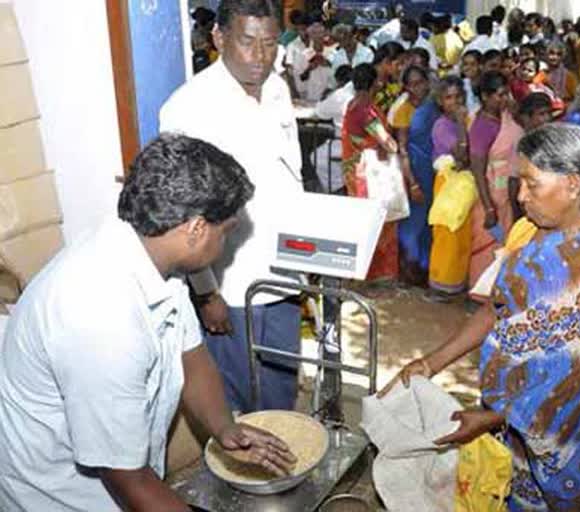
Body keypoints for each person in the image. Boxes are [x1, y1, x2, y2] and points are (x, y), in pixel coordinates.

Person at [0, 134, 298, 511]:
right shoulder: (101, 318)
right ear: (194, 230)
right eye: (225, 232)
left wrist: (226, 428)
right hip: (63, 497)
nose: (226, 243)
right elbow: (128, 479)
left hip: (125, 479)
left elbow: (191, 358)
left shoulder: (153, 252)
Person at [382, 123, 580, 510]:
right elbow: (497, 308)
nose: (521, 195)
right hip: (509, 418)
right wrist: (429, 363)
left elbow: (570, 385)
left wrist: (491, 417)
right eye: (520, 181)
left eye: (532, 183)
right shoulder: (536, 236)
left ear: (572, 184)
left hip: (553, 438)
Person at [160, 0, 304, 414]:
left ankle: (281, 469)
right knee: (238, 399)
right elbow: (184, 214)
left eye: (271, 43)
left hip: (285, 272)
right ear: (219, 38)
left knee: (280, 388)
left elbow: (290, 174)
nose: (261, 55)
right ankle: (241, 477)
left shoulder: (277, 88)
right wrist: (206, 294)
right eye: (248, 42)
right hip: (231, 283)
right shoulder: (188, 108)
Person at [341, 63, 400, 282]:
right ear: (374, 83)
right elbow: (388, 144)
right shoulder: (366, 111)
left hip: (355, 171)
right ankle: (375, 273)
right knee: (377, 222)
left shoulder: (352, 105)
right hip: (369, 175)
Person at [468, 71, 524, 296]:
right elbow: (478, 169)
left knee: (504, 245)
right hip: (490, 193)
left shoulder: (506, 117)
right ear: (484, 96)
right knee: (487, 245)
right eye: (499, 95)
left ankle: (496, 292)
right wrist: (489, 206)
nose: (504, 99)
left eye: (506, 94)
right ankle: (480, 293)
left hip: (506, 193)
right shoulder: (482, 126)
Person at [388, 65, 436, 285]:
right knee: (411, 225)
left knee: (429, 223)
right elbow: (403, 149)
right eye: (412, 84)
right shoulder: (403, 110)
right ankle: (409, 273)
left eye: (420, 83)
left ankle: (427, 270)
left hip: (434, 169)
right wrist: (413, 183)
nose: (417, 88)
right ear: (405, 87)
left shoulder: (434, 105)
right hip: (414, 171)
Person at [426, 76, 471, 301]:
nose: (454, 102)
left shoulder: (465, 120)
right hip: (448, 183)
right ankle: (440, 286)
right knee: (447, 234)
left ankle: (455, 284)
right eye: (449, 98)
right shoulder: (442, 126)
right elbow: (462, 155)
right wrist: (462, 125)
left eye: (458, 97)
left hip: (462, 183)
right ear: (441, 102)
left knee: (461, 235)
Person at [314, 65, 355, 194]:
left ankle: (337, 189)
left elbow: (320, 111)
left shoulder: (341, 95)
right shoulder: (354, 98)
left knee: (316, 157)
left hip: (348, 145)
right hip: (355, 144)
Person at [284, 17, 333, 101]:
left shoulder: (331, 52)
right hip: (308, 92)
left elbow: (335, 72)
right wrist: (309, 69)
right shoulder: (299, 50)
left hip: (327, 94)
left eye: (320, 34)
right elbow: (297, 74)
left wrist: (327, 63)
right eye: (315, 34)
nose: (318, 37)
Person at [372, 41, 406, 113]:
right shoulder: (369, 84)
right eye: (399, 64)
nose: (401, 68)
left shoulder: (390, 82)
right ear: (386, 62)